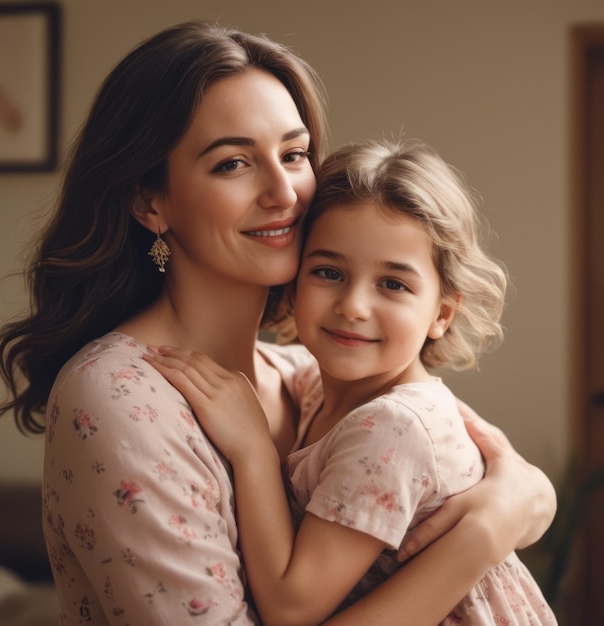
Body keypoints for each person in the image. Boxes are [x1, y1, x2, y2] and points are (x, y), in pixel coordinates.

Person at [0, 20, 555, 626]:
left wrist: (526, 499)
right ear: (151, 202)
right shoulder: (120, 396)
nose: (284, 191)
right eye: (233, 163)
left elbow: (493, 471)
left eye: (293, 154)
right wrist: (482, 538)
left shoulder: (311, 375)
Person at [146, 138, 558, 625]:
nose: (353, 306)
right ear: (295, 281)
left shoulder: (393, 425)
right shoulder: (318, 387)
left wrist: (253, 447)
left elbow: (289, 607)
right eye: (328, 271)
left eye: (393, 284)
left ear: (442, 314)